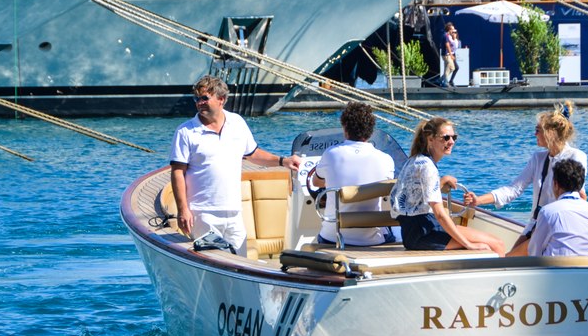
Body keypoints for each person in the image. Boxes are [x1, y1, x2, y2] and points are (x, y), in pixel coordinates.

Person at [169, 75, 302, 257]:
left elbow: (253, 154)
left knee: (240, 264)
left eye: (204, 98)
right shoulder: (185, 132)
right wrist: (183, 210)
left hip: (234, 212)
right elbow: (177, 172)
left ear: (221, 99)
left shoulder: (237, 123)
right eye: (197, 99)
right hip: (203, 214)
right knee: (213, 266)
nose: (199, 103)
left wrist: (283, 161)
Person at [463, 102, 587, 257]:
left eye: (537, 131)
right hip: (536, 224)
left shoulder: (576, 156)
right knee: (509, 260)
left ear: (551, 133)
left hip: (558, 226)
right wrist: (478, 201)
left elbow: (578, 194)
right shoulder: (538, 158)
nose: (534, 134)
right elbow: (514, 189)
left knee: (509, 260)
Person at [390, 117, 506, 254]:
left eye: (453, 137)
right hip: (424, 233)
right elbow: (439, 213)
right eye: (445, 138)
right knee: (495, 245)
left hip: (416, 230)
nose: (451, 142)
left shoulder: (416, 160)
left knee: (495, 242)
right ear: (430, 139)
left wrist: (442, 181)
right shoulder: (427, 167)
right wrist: (469, 244)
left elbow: (417, 195)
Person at [310, 102, 396, 246]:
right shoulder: (386, 159)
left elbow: (316, 182)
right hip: (373, 239)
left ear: (345, 128)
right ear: (371, 130)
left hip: (333, 238)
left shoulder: (331, 154)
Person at [529, 159, 588, 257]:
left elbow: (534, 251)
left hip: (554, 270)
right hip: (587, 269)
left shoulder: (548, 212)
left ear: (556, 184)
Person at [443, 22, 461, 87]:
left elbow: (457, 45)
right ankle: (445, 80)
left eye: (455, 32)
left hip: (453, 54)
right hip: (448, 55)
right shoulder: (448, 37)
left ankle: (446, 80)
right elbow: (448, 45)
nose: (454, 33)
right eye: (453, 31)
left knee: (454, 68)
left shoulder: (457, 40)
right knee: (452, 67)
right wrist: (451, 55)